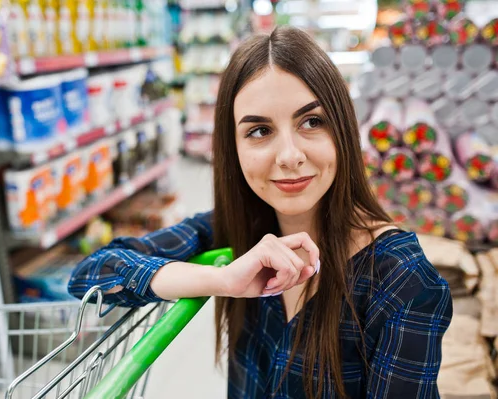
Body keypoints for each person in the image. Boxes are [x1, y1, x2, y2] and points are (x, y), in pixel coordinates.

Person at [69, 26, 453, 399]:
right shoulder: (239, 228)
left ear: (344, 130)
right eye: (259, 131)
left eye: (312, 122)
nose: (289, 156)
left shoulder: (401, 280)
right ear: (232, 148)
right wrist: (220, 280)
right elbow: (91, 275)